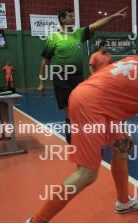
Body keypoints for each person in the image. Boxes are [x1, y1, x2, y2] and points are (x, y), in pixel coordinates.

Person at [22, 48, 138, 223]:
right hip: (90, 106)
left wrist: (120, 127)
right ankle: (36, 222)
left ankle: (123, 202)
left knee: (122, 147)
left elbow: (116, 88)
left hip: (89, 96)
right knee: (87, 173)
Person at [37, 7, 128, 144]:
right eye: (69, 16)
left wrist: (114, 16)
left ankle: (84, 135)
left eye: (73, 16)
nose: (73, 18)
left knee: (81, 106)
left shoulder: (78, 33)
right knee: (68, 109)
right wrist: (42, 82)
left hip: (78, 77)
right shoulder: (53, 37)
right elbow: (45, 62)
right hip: (61, 77)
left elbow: (98, 24)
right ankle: (71, 140)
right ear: (62, 19)